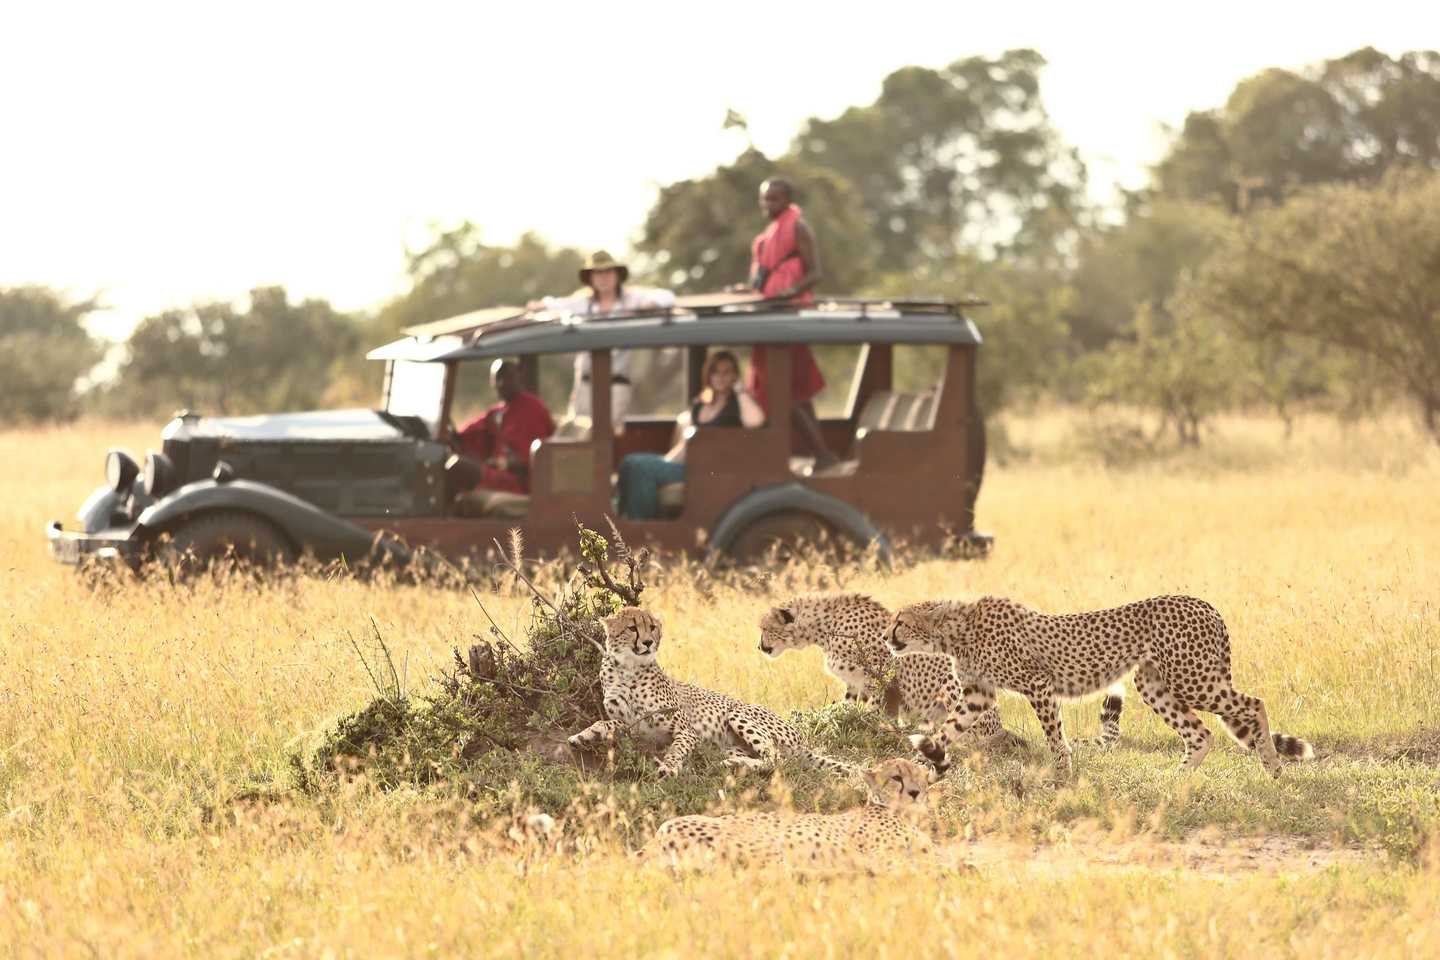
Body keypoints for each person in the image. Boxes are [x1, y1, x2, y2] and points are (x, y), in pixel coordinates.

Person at [743, 178, 839, 469]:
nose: (767, 205)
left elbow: (815, 273)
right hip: (769, 318)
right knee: (798, 394)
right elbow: (759, 279)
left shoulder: (798, 227)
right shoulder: (765, 238)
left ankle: (822, 455)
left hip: (788, 319)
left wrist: (788, 293)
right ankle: (822, 454)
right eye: (764, 199)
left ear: (787, 200)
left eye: (774, 199)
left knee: (785, 392)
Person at [529, 250, 675, 433]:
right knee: (577, 431)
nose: (603, 277)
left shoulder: (631, 299)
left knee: (606, 434)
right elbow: (553, 305)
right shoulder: (583, 302)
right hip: (585, 383)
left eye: (608, 272)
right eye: (598, 273)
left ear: (617, 275)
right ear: (590, 278)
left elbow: (667, 296)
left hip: (616, 383)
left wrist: (650, 305)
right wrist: (539, 306)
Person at [617, 350, 764, 520]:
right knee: (629, 463)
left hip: (710, 471)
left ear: (734, 376)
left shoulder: (737, 405)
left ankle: (642, 526)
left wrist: (740, 390)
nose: (720, 377)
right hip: (688, 464)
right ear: (709, 375)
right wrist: (665, 462)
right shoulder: (700, 405)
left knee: (641, 468)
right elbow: (687, 443)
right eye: (715, 371)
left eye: (727, 372)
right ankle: (622, 519)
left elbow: (756, 422)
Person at [453, 359, 555, 494]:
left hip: (519, 483)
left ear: (519, 377)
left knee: (458, 466)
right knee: (452, 462)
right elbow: (469, 434)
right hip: (498, 474)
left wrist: (497, 463)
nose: (501, 384)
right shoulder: (497, 412)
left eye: (507, 377)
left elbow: (531, 461)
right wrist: (454, 438)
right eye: (497, 379)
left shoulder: (533, 409)